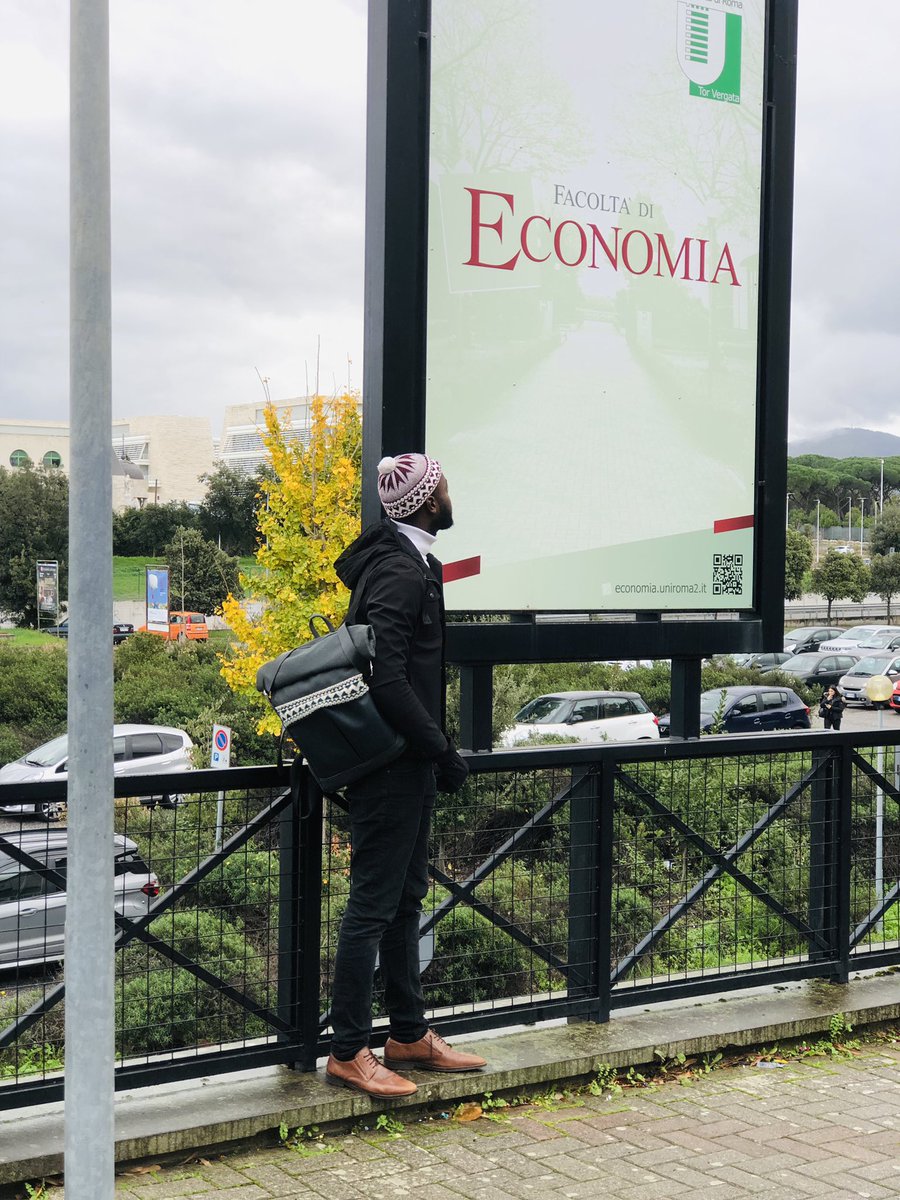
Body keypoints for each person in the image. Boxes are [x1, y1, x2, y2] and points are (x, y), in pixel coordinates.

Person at [325, 452, 487, 1098]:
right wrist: (440, 748)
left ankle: (408, 1034)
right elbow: (386, 678)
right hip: (390, 766)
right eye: (443, 485)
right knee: (371, 906)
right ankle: (347, 1051)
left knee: (404, 900)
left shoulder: (414, 562)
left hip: (405, 763)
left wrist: (431, 754)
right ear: (425, 502)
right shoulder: (398, 571)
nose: (450, 493)